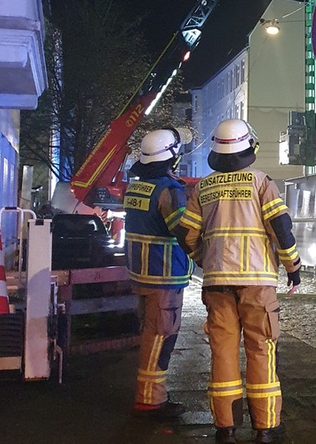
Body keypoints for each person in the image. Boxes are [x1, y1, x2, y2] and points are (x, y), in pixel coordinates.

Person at [179, 118, 301, 444]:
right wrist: (293, 267)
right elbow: (281, 229)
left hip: (217, 282)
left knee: (223, 352)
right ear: (248, 146)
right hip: (258, 282)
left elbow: (186, 234)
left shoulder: (203, 188)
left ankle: (226, 429)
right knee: (261, 349)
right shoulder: (261, 182)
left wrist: (205, 259)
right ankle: (265, 429)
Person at [124, 128, 195, 419]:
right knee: (161, 337)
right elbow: (184, 232)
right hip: (164, 275)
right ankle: (150, 400)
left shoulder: (136, 188)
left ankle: (152, 395)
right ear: (172, 156)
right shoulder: (169, 191)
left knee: (150, 333)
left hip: (141, 273)